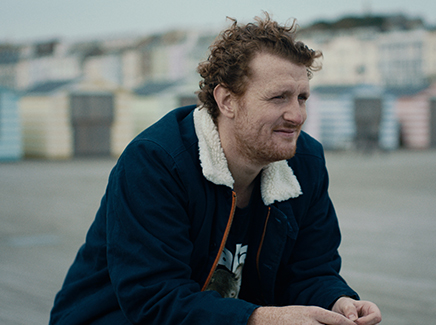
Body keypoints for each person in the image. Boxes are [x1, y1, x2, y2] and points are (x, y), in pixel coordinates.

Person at [50, 13, 382, 325]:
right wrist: (258, 319)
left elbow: (312, 271)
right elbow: (153, 298)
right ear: (226, 101)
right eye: (279, 97)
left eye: (302, 98)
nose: (297, 115)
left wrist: (337, 300)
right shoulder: (155, 162)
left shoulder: (305, 163)